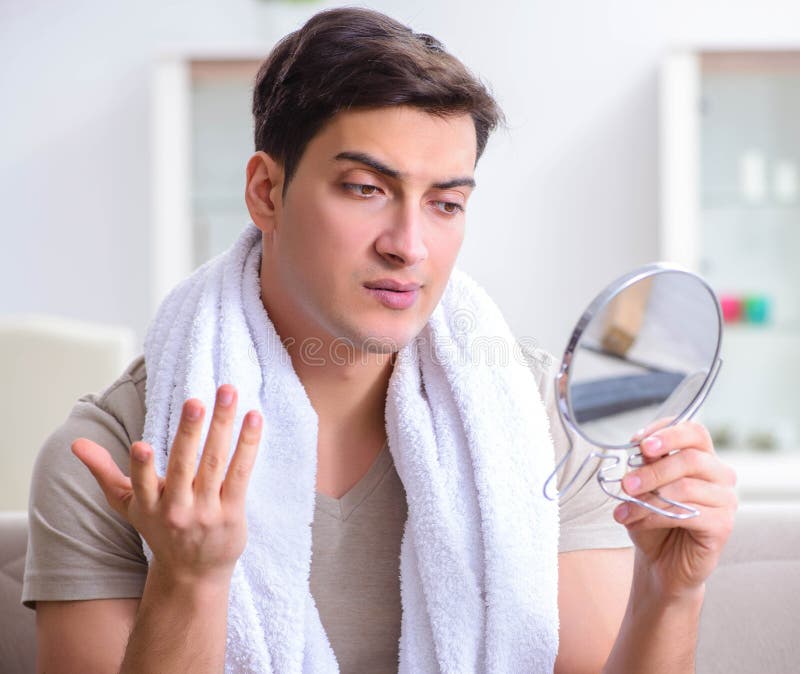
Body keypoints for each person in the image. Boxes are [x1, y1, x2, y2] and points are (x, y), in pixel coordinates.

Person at [23, 7, 737, 673]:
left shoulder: (539, 423)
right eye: (366, 188)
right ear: (266, 192)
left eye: (446, 203)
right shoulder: (115, 459)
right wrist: (189, 580)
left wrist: (669, 595)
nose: (409, 245)